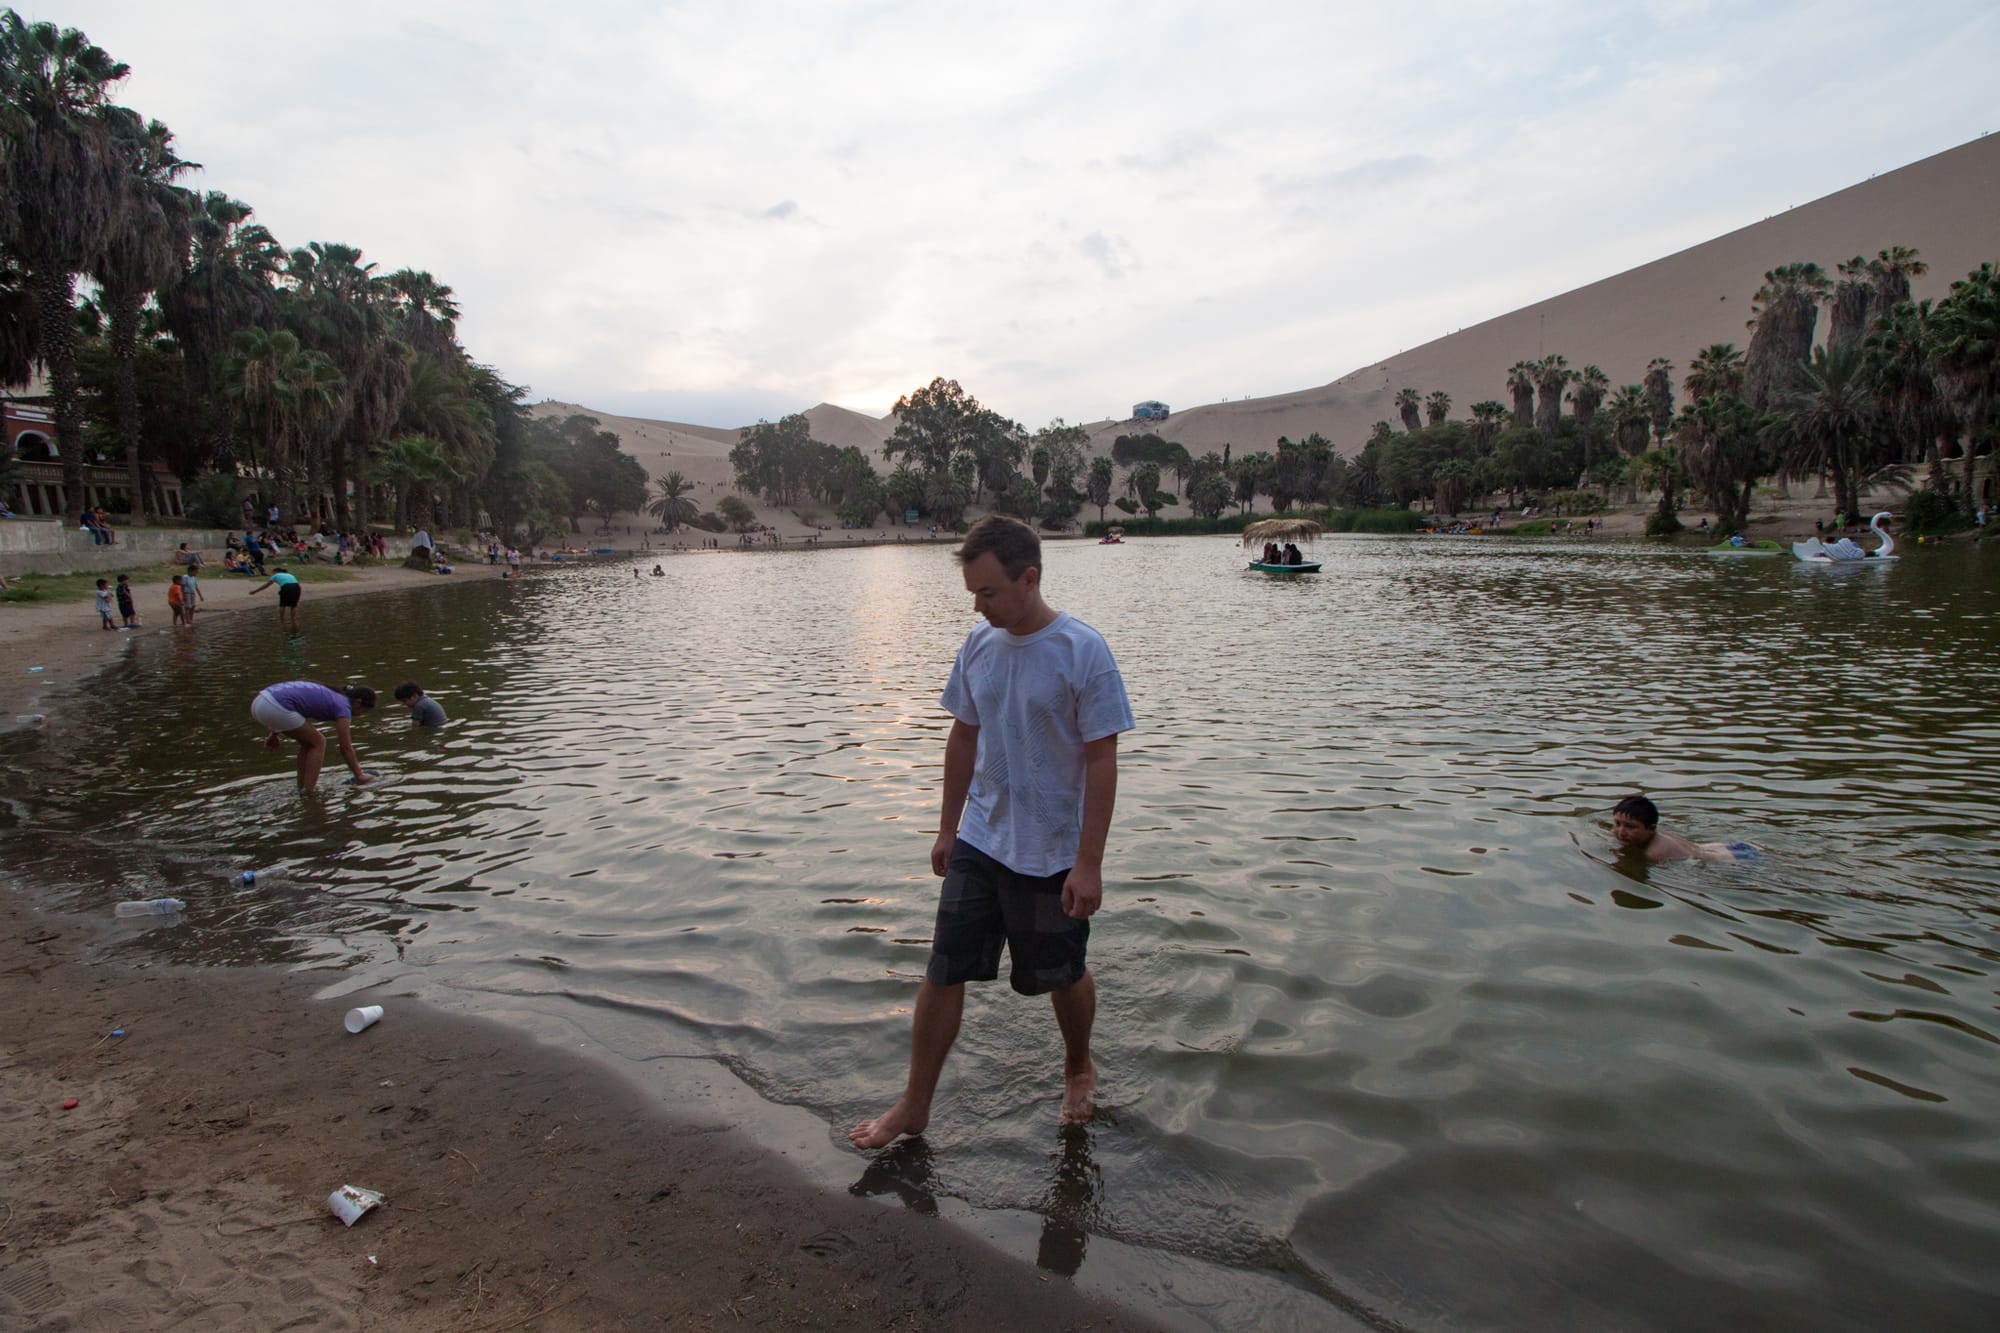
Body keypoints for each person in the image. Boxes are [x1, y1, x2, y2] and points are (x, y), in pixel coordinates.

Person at [850, 516, 1134, 1150]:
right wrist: (948, 828)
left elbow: (1101, 759)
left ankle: (1077, 1066)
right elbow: (964, 734)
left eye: (987, 591)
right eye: (972, 592)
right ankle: (915, 1105)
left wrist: (1088, 864)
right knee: (943, 969)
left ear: (1029, 577)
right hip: (983, 836)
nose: (976, 605)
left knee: (1062, 972)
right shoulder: (979, 645)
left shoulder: (1082, 650)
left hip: (1053, 849)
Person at [252, 681, 375, 791]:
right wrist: (359, 775)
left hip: (259, 702)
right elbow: (345, 747)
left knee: (308, 744)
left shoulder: (333, 695)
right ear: (358, 702)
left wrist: (274, 733)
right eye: (364, 711)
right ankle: (309, 791)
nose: (360, 715)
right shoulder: (344, 707)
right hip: (277, 706)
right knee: (319, 742)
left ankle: (302, 787)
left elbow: (293, 699)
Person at [1611, 795, 1753, 863]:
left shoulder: (1655, 854)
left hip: (1737, 860)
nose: (1621, 831)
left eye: (1630, 827)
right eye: (1617, 824)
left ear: (1651, 829)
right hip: (1726, 847)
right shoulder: (1654, 835)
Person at [249, 565, 303, 630]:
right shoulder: (289, 574)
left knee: (282, 605)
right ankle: (293, 621)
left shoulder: (275, 575)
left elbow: (266, 585)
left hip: (286, 587)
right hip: (297, 587)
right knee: (293, 606)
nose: (272, 574)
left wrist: (255, 591)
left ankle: (282, 621)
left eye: (272, 573)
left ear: (275, 572)